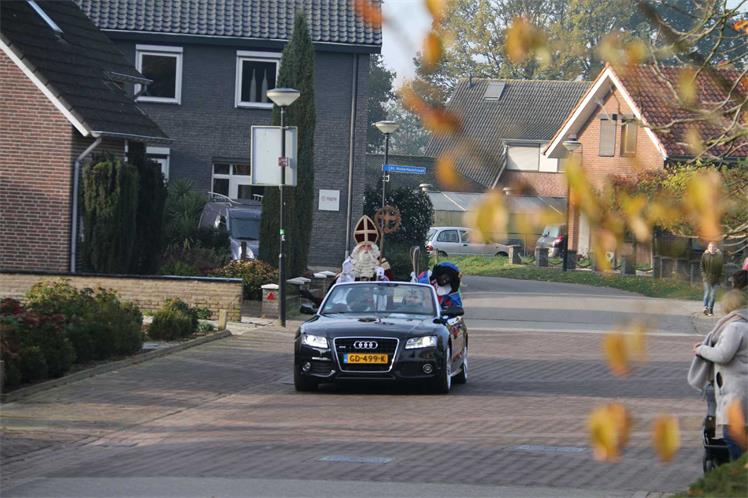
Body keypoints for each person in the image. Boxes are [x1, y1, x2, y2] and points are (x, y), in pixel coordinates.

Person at [691, 290, 748, 461]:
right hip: (742, 389)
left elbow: (723, 355)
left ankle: (740, 472)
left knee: (732, 436)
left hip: (735, 390)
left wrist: (701, 349)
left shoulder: (735, 327)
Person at [700, 242, 724, 316]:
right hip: (707, 278)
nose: (711, 248)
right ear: (708, 247)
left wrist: (721, 278)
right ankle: (705, 307)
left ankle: (710, 309)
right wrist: (704, 275)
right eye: (710, 247)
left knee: (713, 295)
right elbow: (701, 266)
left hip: (716, 279)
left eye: (713, 247)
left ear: (716, 248)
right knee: (707, 293)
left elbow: (722, 268)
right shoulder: (705, 255)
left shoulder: (719, 256)